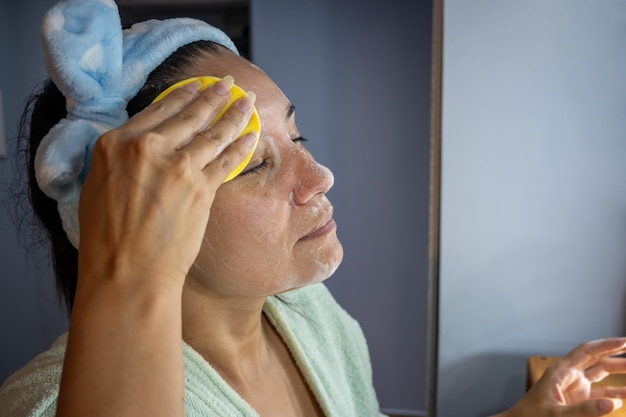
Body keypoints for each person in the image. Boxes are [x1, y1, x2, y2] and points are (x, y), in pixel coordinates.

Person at [0, 0, 625, 416]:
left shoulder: (306, 313)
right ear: (136, 216)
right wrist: (128, 274)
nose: (320, 176)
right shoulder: (49, 405)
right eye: (254, 164)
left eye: (296, 137)